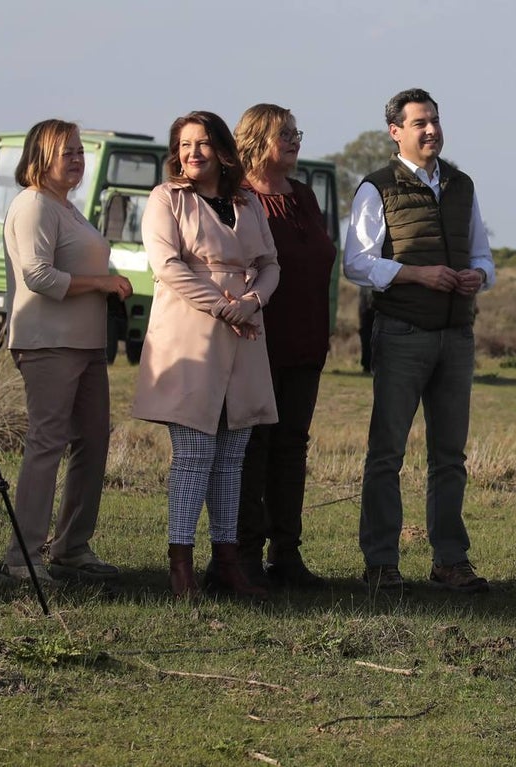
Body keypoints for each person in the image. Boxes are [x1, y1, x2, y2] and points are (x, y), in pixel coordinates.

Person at [344, 88, 495, 594]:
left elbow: (483, 254)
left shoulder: (462, 185)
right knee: (387, 453)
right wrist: (415, 274)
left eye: (434, 120)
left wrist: (478, 275)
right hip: (401, 333)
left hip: (457, 336)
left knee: (450, 457)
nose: (431, 130)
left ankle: (450, 561)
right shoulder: (377, 187)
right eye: (419, 123)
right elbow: (356, 263)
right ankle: (381, 563)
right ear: (395, 132)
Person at [131, 111, 279, 599]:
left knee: (232, 456)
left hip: (245, 333)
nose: (193, 152)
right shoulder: (166, 199)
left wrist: (252, 302)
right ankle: (180, 566)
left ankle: (227, 564)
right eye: (185, 144)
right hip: (190, 333)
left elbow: (270, 263)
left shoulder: (247, 202)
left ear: (222, 150)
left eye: (202, 143)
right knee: (194, 454)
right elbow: (167, 265)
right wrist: (222, 306)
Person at [0, 119, 133, 586]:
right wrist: (101, 283)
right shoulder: (34, 204)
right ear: (41, 157)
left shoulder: (66, 206)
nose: (77, 159)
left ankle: (71, 548)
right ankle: (22, 558)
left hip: (87, 344)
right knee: (47, 444)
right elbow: (37, 275)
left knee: (92, 442)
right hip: (48, 342)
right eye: (67, 152)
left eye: (79, 151)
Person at [233, 104, 336, 590]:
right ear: (257, 140)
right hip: (258, 340)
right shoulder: (238, 197)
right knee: (254, 447)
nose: (295, 141)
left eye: (297, 133)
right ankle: (244, 556)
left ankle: (287, 555)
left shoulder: (304, 196)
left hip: (306, 341)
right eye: (285, 134)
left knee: (292, 447)